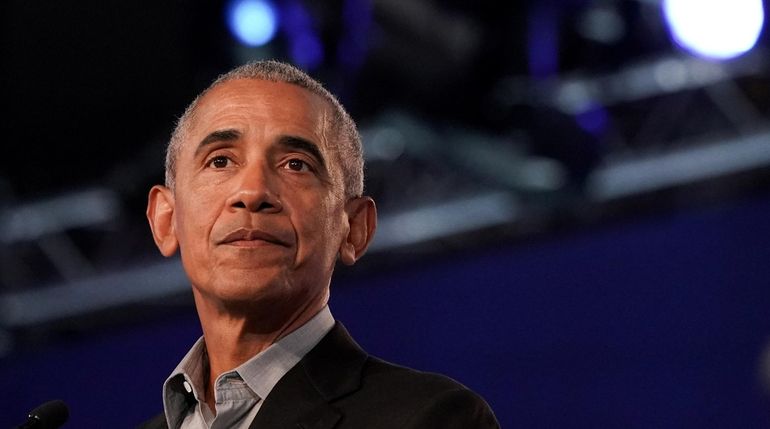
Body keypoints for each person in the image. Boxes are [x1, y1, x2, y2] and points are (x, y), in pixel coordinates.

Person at [140, 60, 499, 428]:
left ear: (354, 228)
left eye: (296, 164)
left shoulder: (431, 419)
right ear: (166, 220)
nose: (252, 192)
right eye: (220, 161)